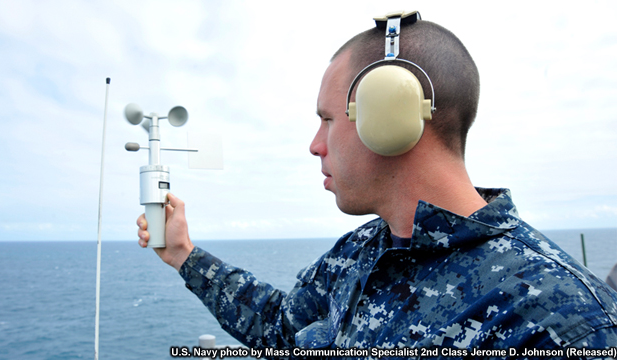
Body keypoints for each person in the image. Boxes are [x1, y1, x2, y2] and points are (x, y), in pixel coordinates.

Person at [137, 10, 617, 356]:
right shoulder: (362, 253)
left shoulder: (563, 321)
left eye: (327, 119)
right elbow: (283, 329)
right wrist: (184, 254)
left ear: (391, 113)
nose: (315, 145)